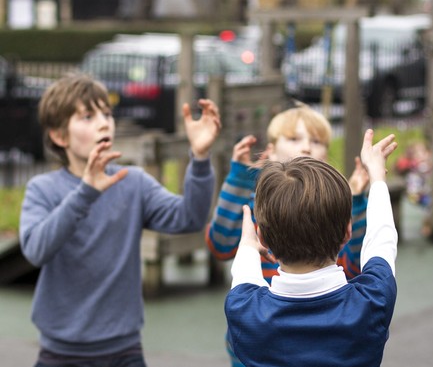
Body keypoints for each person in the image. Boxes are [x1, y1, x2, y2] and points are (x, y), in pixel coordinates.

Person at [19, 73, 221, 367]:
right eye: (88, 116)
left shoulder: (133, 183)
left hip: (124, 351)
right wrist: (85, 192)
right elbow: (36, 251)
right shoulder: (43, 189)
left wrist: (200, 158)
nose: (104, 122)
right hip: (60, 354)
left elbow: (189, 218)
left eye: (107, 114)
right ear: (59, 136)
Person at [205, 103, 369, 366]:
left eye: (316, 141)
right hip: (257, 336)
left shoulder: (332, 208)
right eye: (294, 139)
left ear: (325, 154)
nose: (306, 147)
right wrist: (238, 178)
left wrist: (357, 201)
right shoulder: (260, 203)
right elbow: (221, 245)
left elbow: (356, 264)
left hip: (321, 331)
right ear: (269, 151)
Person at [225, 129, 398, 367]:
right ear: (347, 231)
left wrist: (247, 243)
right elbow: (382, 239)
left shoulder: (245, 312)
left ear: (262, 238)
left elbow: (244, 272)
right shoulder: (371, 302)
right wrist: (377, 176)